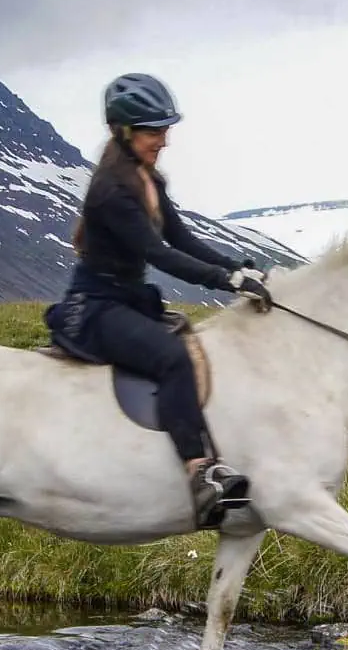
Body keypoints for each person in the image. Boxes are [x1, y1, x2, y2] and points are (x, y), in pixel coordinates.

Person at [45, 73, 273, 527]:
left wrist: (237, 266)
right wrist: (226, 279)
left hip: (128, 301)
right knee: (172, 358)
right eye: (154, 131)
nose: (163, 140)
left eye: (165, 129)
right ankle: (200, 474)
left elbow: (182, 238)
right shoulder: (111, 190)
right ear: (125, 132)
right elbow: (158, 253)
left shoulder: (147, 178)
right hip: (95, 307)